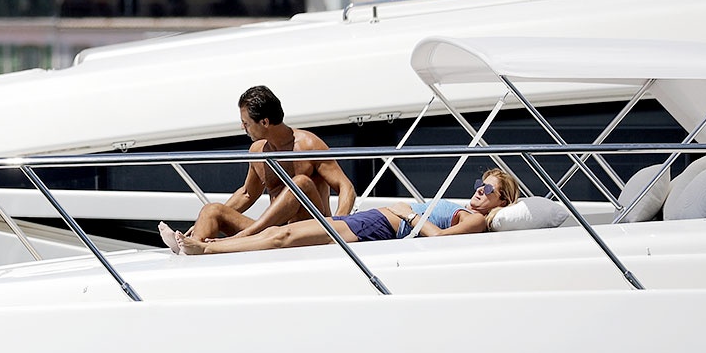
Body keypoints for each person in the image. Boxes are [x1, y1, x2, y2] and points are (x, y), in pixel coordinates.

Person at [158, 85, 355, 250]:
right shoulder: (258, 151)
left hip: (308, 232)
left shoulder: (308, 145)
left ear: (265, 122)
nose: (242, 128)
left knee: (301, 183)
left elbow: (346, 187)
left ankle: (239, 238)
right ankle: (191, 247)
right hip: (270, 231)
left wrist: (338, 227)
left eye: (246, 123)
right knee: (211, 210)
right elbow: (247, 194)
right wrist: (201, 222)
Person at [167, 167, 520, 256]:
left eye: (489, 189)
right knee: (279, 233)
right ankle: (206, 244)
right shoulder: (467, 210)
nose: (479, 190)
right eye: (480, 183)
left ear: (502, 202)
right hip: (371, 221)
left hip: (379, 226)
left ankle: (205, 250)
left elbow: (440, 239)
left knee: (283, 236)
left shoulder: (476, 220)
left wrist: (409, 215)